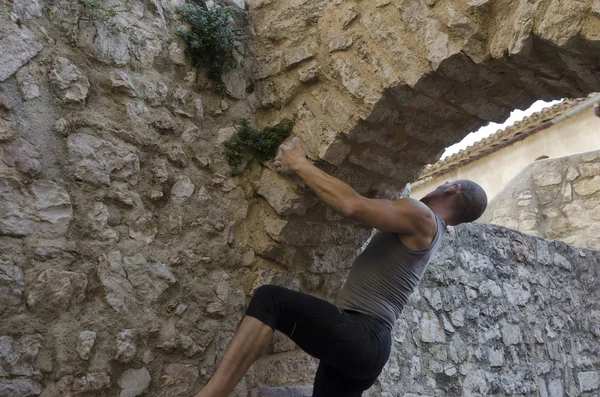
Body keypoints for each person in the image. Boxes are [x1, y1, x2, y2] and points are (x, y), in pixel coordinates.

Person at [195, 137, 488, 397]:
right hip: (369, 349)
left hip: (363, 333)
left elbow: (352, 206)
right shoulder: (433, 233)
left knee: (270, 300)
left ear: (453, 189)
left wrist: (299, 163)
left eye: (442, 184)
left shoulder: (421, 216)